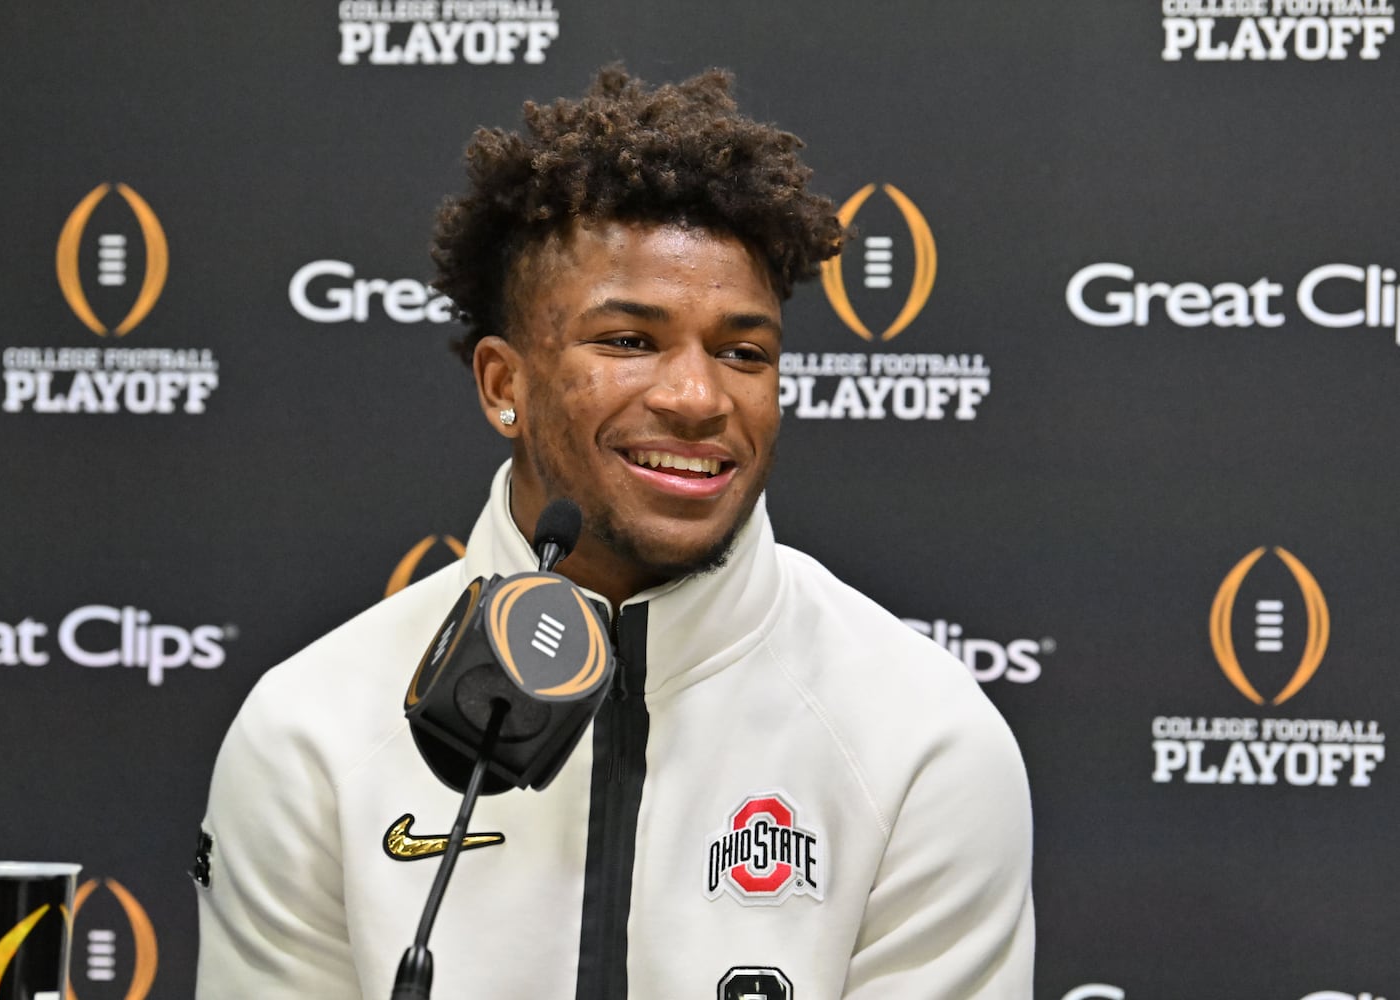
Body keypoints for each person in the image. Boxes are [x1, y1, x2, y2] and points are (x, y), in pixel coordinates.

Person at [195, 65, 1034, 999]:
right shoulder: (311, 732)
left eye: (742, 352)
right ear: (503, 385)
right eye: (629, 341)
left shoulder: (925, 741)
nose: (696, 397)